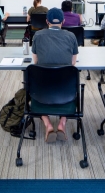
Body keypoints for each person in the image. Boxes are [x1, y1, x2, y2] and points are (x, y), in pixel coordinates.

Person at [31, 8, 79, 143]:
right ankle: (62, 123)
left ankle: (48, 124)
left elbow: (36, 62)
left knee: (34, 85)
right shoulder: (71, 36)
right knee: (70, 81)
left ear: (47, 21)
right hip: (65, 90)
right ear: (63, 21)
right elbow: (72, 64)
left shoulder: (38, 36)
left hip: (42, 90)